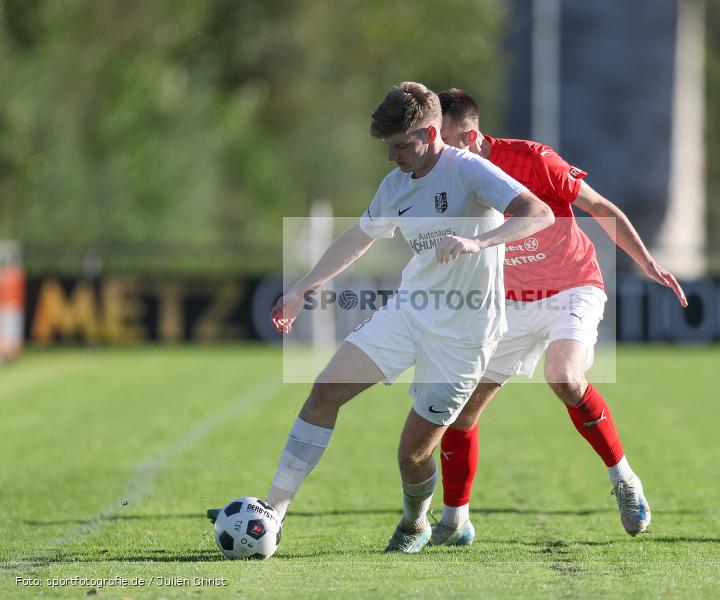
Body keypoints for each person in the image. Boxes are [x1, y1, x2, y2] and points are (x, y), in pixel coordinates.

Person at [209, 82, 553, 554]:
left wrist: (478, 242)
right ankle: (273, 512)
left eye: (400, 146)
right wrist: (301, 289)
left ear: (431, 134)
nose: (391, 157)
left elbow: (540, 213)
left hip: (466, 335)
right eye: (386, 147)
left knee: (412, 457)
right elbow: (358, 238)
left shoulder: (470, 170)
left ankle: (416, 523)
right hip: (410, 312)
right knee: (325, 390)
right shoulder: (395, 185)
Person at [429, 88, 688, 545]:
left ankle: (624, 481)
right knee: (460, 411)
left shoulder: (534, 160)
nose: (436, 150)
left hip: (572, 287)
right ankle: (455, 521)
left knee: (564, 377)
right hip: (508, 303)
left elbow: (600, 208)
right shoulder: (443, 176)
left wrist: (646, 262)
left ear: (470, 135)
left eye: (444, 139)